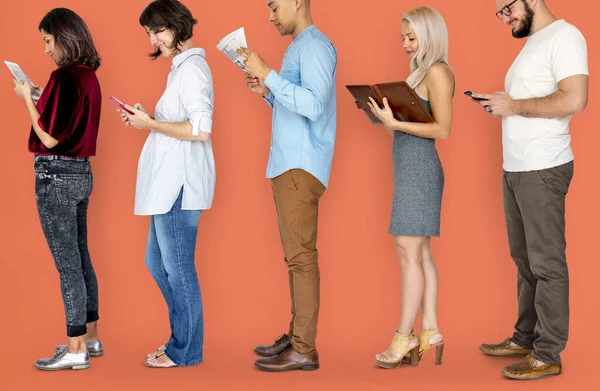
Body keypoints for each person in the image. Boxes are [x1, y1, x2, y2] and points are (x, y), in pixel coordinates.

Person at [472, 0, 588, 380]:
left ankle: (548, 354)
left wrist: (514, 105)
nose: (505, 19)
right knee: (524, 262)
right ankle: (525, 337)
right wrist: (503, 105)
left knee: (547, 264)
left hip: (543, 166)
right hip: (517, 167)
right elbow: (526, 102)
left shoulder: (566, 37)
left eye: (507, 9)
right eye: (500, 13)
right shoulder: (532, 43)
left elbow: (575, 98)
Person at [237, 0, 337, 372]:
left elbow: (314, 105)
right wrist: (268, 92)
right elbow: (297, 111)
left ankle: (304, 348)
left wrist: (270, 74)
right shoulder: (299, 46)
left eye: (275, 7)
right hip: (289, 163)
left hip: (300, 165)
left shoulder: (314, 46)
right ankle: (296, 336)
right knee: (295, 258)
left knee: (301, 258)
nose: (270, 16)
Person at [116, 0, 215, 368]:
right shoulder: (180, 70)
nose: (153, 39)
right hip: (169, 184)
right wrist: (149, 117)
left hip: (180, 186)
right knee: (158, 264)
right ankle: (181, 341)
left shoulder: (193, 71)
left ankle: (185, 350)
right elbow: (181, 123)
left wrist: (151, 125)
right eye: (149, 32)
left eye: (158, 30)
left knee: (178, 269)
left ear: (177, 26)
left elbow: (200, 130)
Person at [13, 8, 103, 371]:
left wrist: (26, 100)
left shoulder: (64, 77)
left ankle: (76, 347)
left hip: (56, 177)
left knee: (67, 266)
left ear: (64, 37)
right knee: (81, 258)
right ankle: (91, 337)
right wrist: (40, 94)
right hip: (81, 174)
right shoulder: (87, 76)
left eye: (48, 41)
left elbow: (49, 138)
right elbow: (67, 119)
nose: (47, 50)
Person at [367, 6, 454, 370]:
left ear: (429, 36)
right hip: (408, 166)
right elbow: (412, 127)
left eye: (411, 37)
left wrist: (395, 124)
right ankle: (430, 330)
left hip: (419, 170)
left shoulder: (437, 71)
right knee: (421, 255)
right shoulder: (419, 71)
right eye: (403, 37)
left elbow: (442, 129)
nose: (405, 43)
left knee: (408, 254)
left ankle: (403, 336)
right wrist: (385, 118)